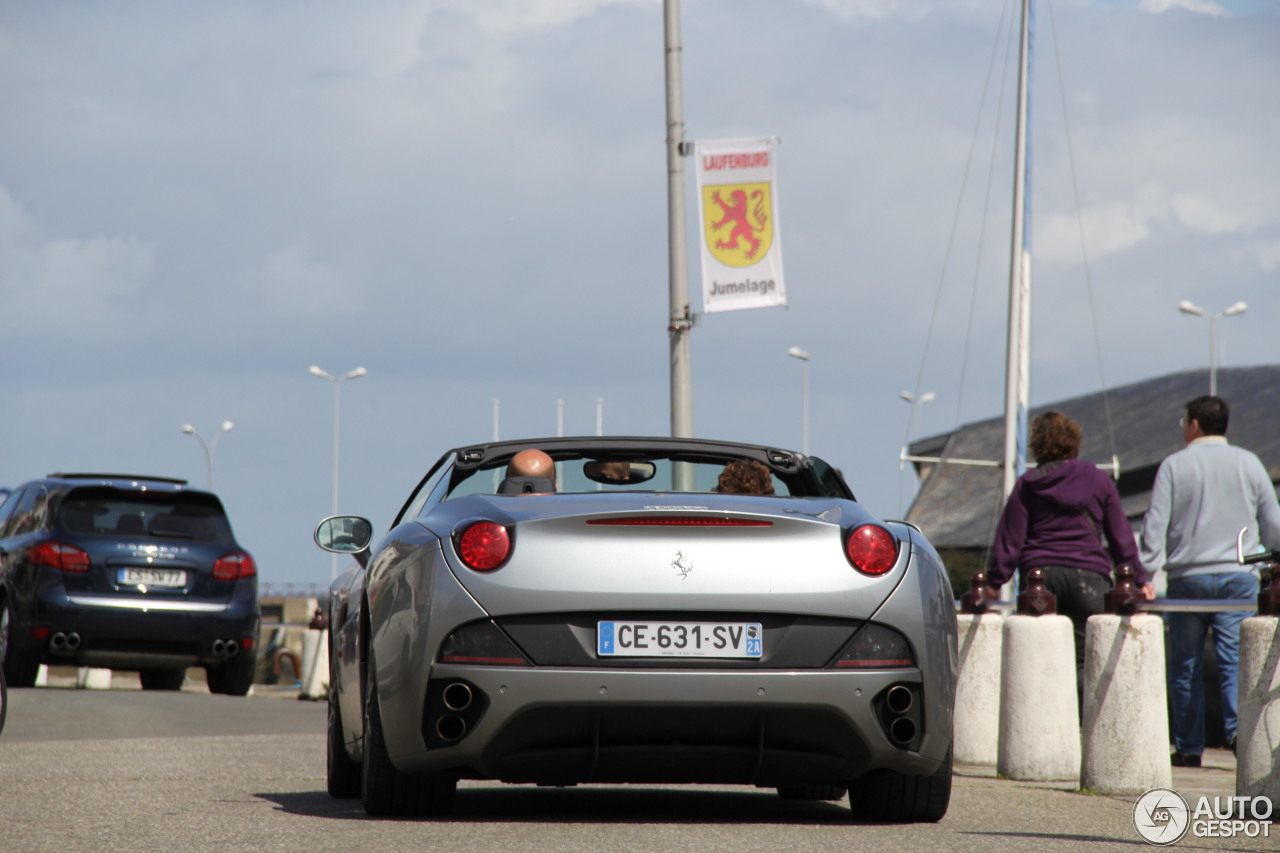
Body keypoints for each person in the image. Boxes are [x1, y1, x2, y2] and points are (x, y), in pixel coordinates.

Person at [1139, 395, 1280, 767]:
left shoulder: (1174, 465)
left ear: (1194, 425)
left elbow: (1155, 525)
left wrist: (1145, 571)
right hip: (1239, 577)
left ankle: (1188, 746)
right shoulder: (1249, 463)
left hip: (1188, 578)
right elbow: (1273, 523)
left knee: (1185, 666)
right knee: (1235, 662)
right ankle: (1238, 736)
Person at [988, 411, 1152, 694]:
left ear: (1038, 444)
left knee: (1038, 661)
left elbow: (1010, 539)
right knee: (1085, 663)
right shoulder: (1097, 480)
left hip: (1041, 580)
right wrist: (1139, 578)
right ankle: (1082, 727)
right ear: (1074, 441)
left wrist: (993, 581)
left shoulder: (1028, 484)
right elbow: (1120, 536)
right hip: (1089, 577)